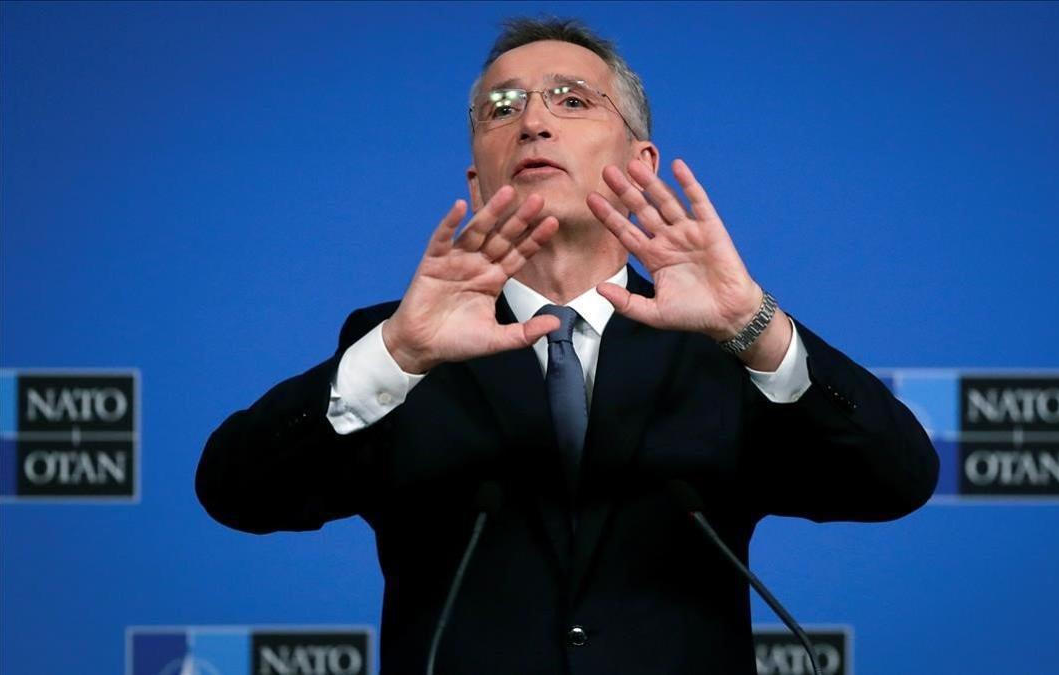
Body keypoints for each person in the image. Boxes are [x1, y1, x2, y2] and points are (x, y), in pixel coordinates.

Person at [196, 17, 939, 675]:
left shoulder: (722, 347)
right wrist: (396, 354)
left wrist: (754, 324)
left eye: (572, 100)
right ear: (478, 179)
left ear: (642, 165)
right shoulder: (397, 347)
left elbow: (896, 479)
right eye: (502, 108)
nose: (532, 124)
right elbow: (235, 492)